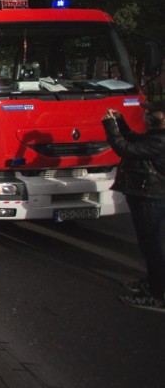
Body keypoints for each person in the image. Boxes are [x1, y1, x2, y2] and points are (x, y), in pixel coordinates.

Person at [102, 101, 165, 312]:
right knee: (148, 244)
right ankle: (152, 283)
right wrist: (120, 122)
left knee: (152, 245)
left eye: (152, 112)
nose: (147, 114)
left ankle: (157, 295)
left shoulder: (161, 141)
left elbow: (125, 148)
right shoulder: (155, 136)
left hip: (152, 197)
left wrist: (110, 126)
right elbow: (133, 139)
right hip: (145, 194)